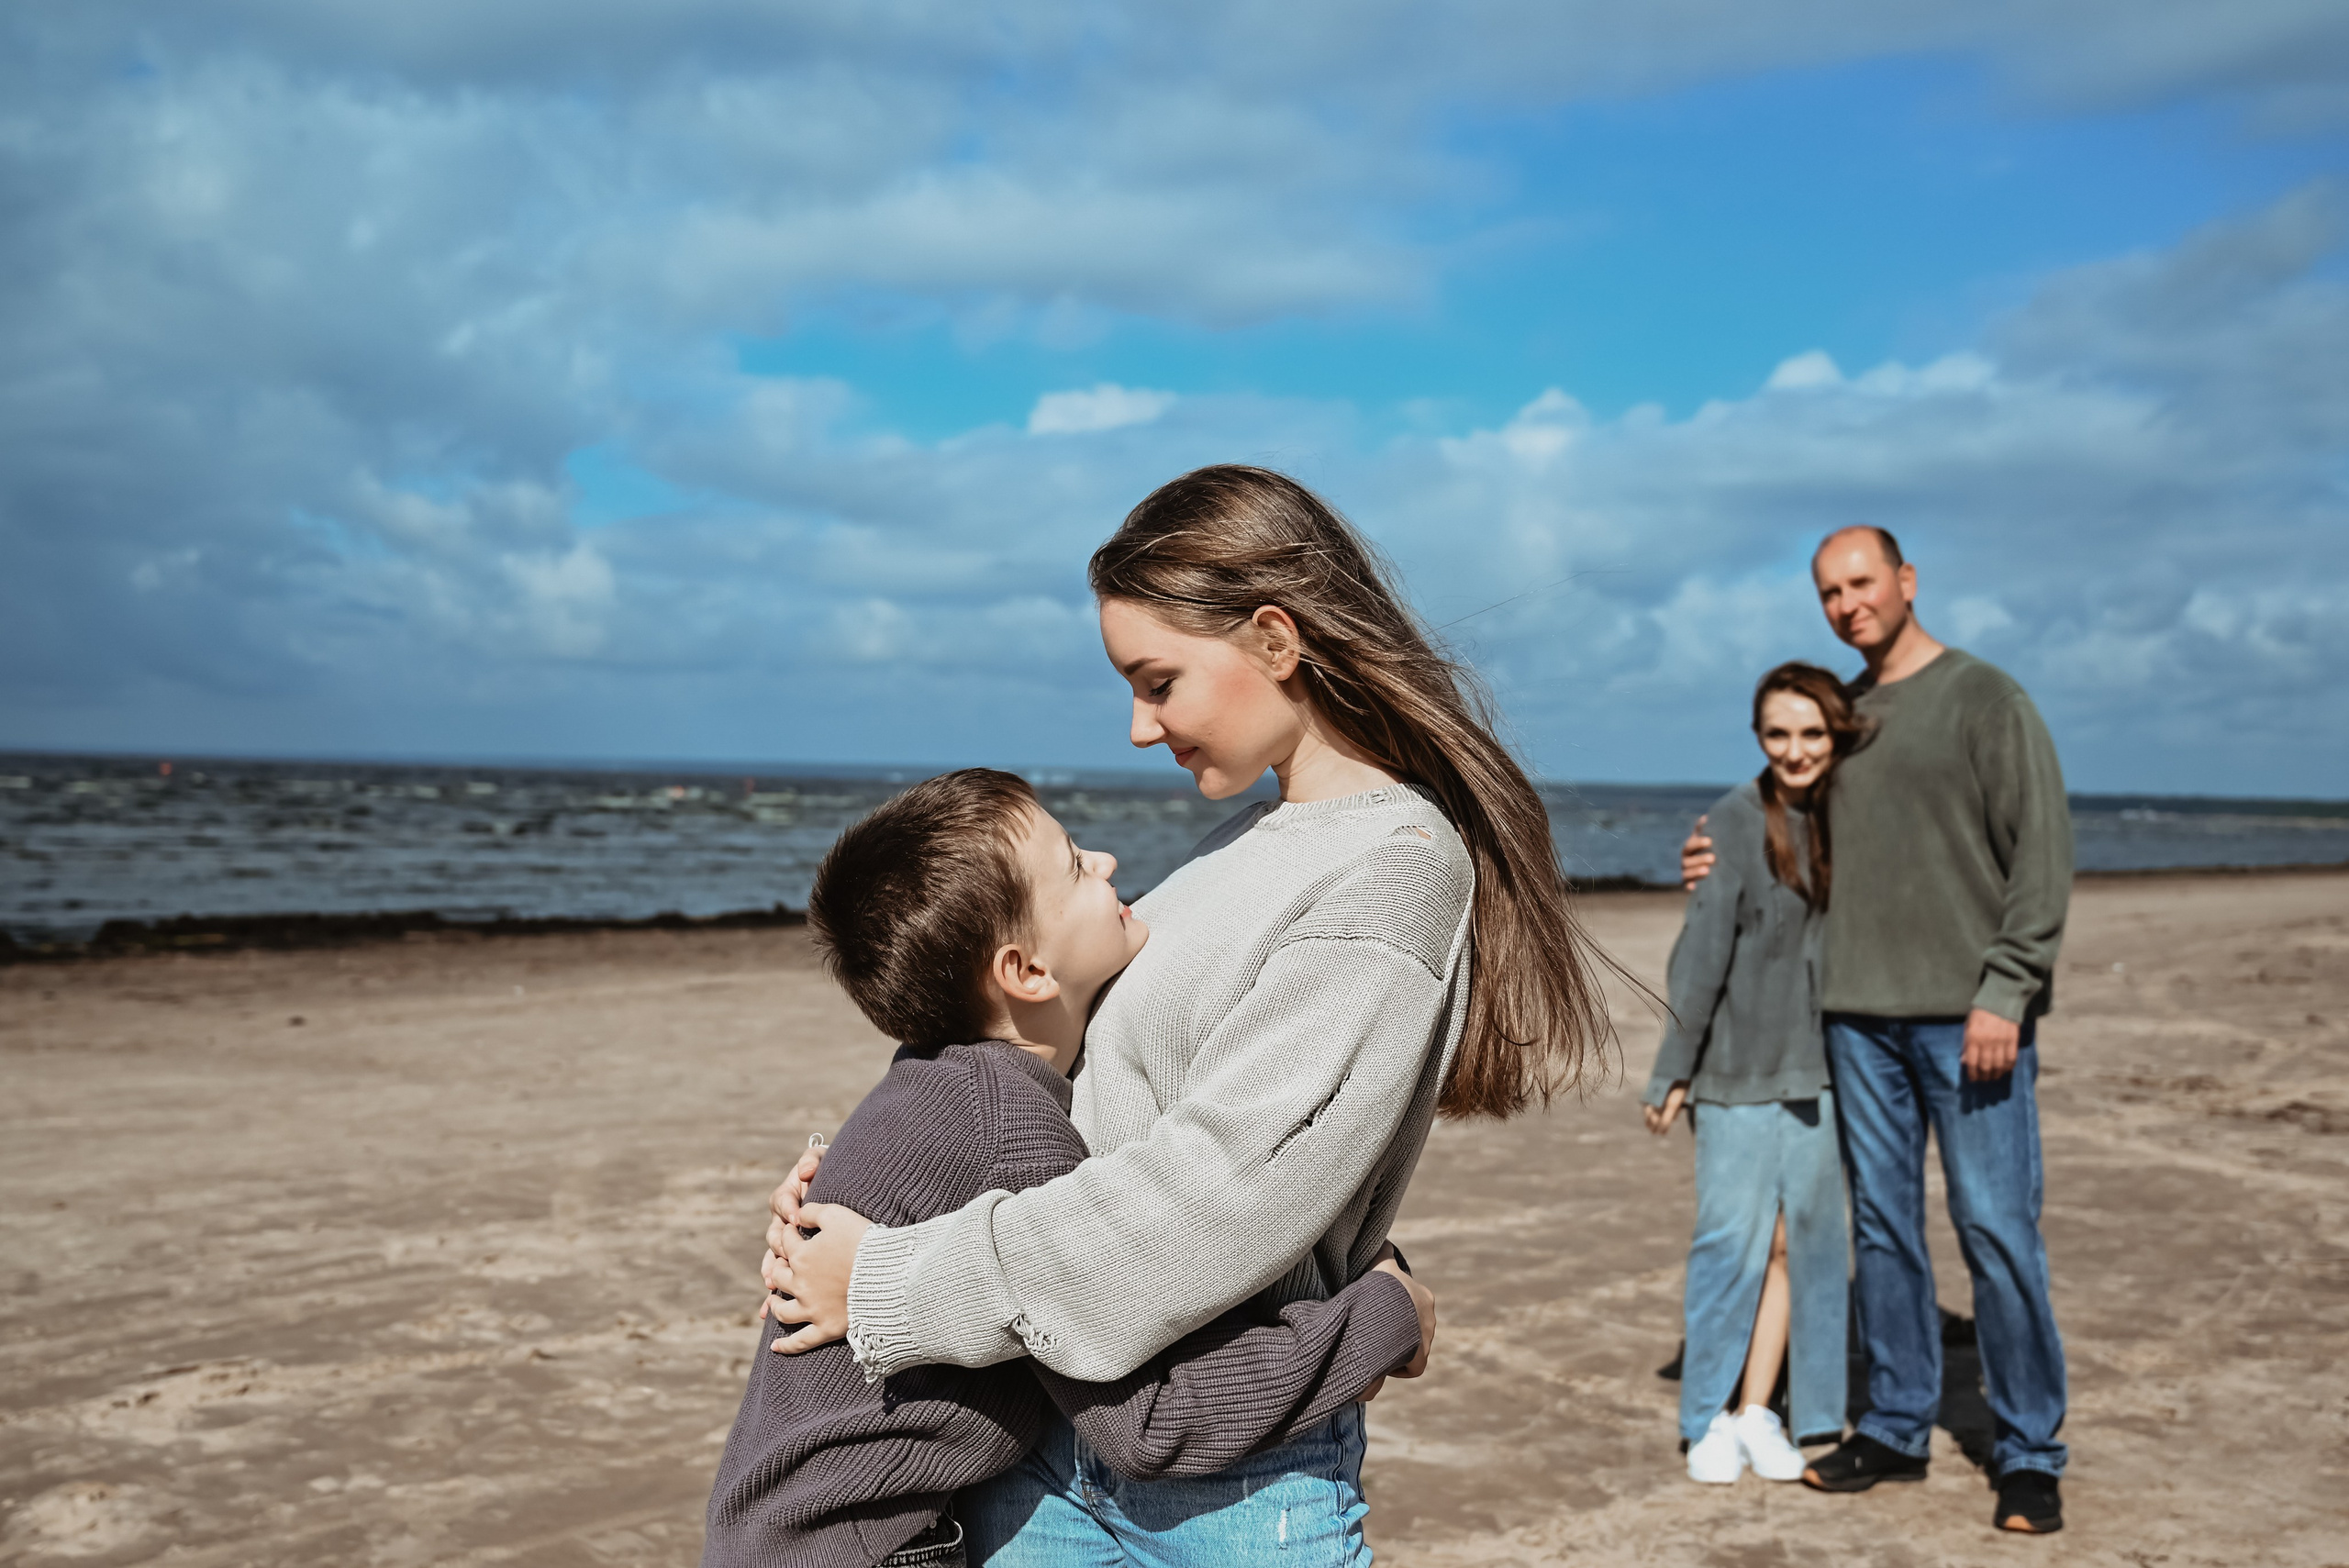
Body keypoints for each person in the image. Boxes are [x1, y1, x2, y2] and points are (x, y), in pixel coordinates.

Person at [762, 466, 1615, 1565]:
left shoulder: (1392, 870)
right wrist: (862, 1192)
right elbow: (1055, 1078)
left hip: (1229, 1486)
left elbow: (1220, 1184)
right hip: (1041, 1439)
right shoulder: (1239, 850)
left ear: (1273, 639)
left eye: (1156, 681)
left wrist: (899, 1279)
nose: (1135, 724)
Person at [705, 770, 1431, 1568]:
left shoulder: (929, 1081)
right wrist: (1386, 1315)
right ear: (1025, 972)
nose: (1112, 861)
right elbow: (1153, 1420)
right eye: (1077, 865)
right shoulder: (1014, 1132)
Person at [1681, 527, 2072, 1535]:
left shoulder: (1987, 697)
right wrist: (1707, 855)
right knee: (1884, 1231)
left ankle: (2028, 1449)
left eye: (1860, 582)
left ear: (1904, 581)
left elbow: (2040, 854)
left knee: (1995, 1227)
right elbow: (1785, 812)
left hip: (1970, 1019)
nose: (1846, 602)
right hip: (1853, 1020)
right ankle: (1896, 1422)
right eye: (1827, 591)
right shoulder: (1843, 717)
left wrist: (2007, 988)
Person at [1642, 662, 1861, 1485]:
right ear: (1759, 737)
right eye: (1780, 733)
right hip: (1735, 1072)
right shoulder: (1734, 820)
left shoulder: (1853, 819)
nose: (1797, 749)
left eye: (1813, 732)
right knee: (1729, 1245)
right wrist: (1673, 1071)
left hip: (1826, 1075)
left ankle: (1760, 1408)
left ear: (1836, 734)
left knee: (1795, 1248)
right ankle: (1706, 1418)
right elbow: (1701, 957)